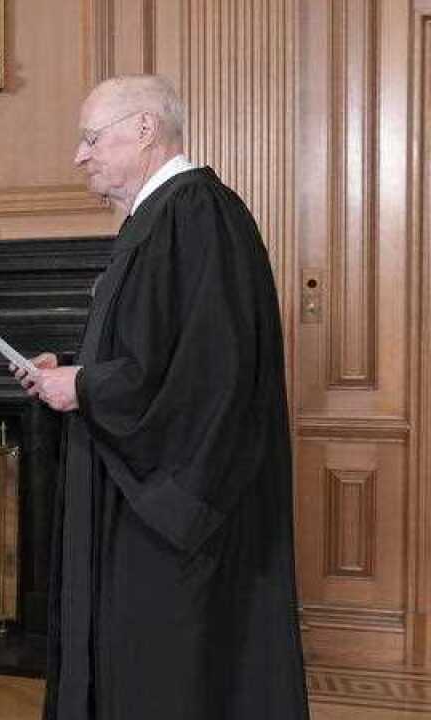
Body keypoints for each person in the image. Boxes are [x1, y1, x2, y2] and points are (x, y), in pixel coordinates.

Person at [18, 74, 309, 719]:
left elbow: (209, 375)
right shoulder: (161, 217)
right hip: (139, 498)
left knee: (172, 675)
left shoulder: (196, 212)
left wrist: (87, 386)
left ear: (143, 130)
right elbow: (150, 353)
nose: (79, 156)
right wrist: (71, 372)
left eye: (91, 138)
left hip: (174, 515)